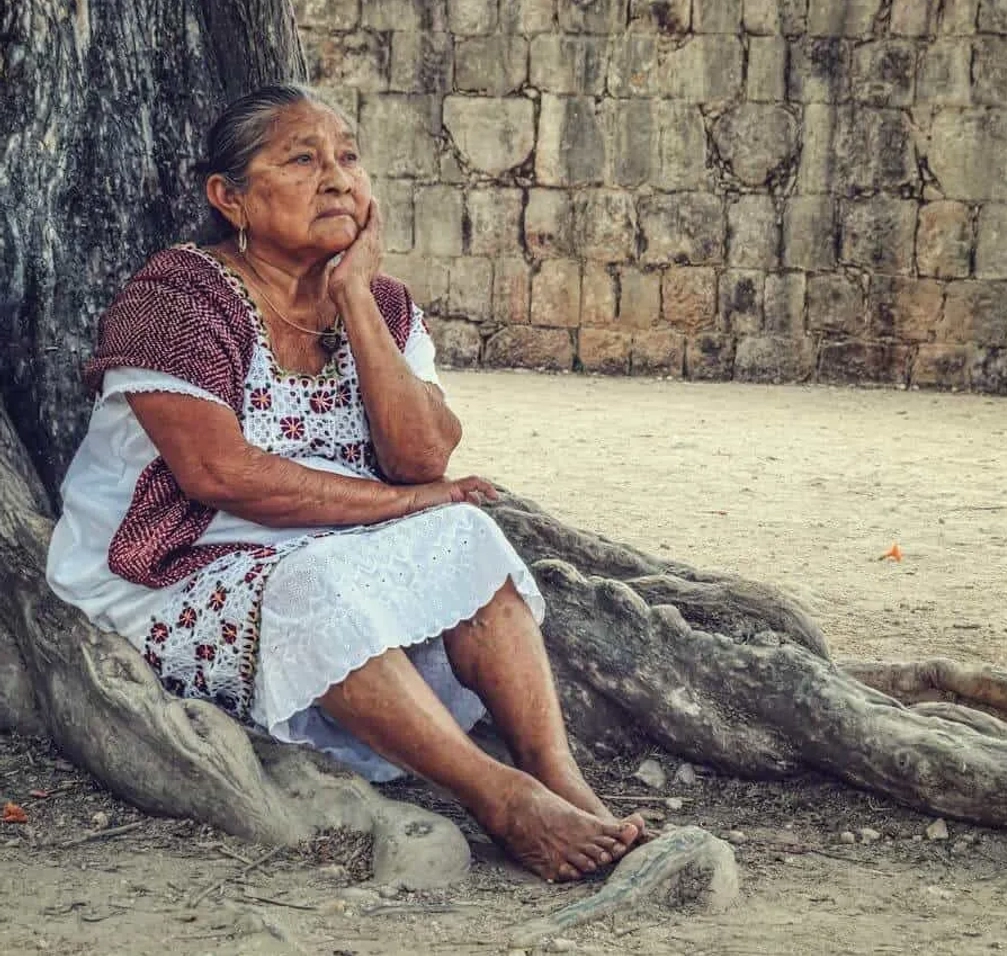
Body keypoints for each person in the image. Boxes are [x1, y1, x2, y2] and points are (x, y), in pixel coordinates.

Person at [45, 83, 642, 882]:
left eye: (349, 158)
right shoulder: (176, 299)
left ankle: (559, 779)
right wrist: (403, 505)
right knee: (321, 577)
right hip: (171, 569)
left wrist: (355, 294)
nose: (337, 179)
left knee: (467, 536)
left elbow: (422, 457)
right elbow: (221, 475)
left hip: (329, 544)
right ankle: (498, 798)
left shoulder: (387, 307)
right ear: (230, 198)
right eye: (302, 159)